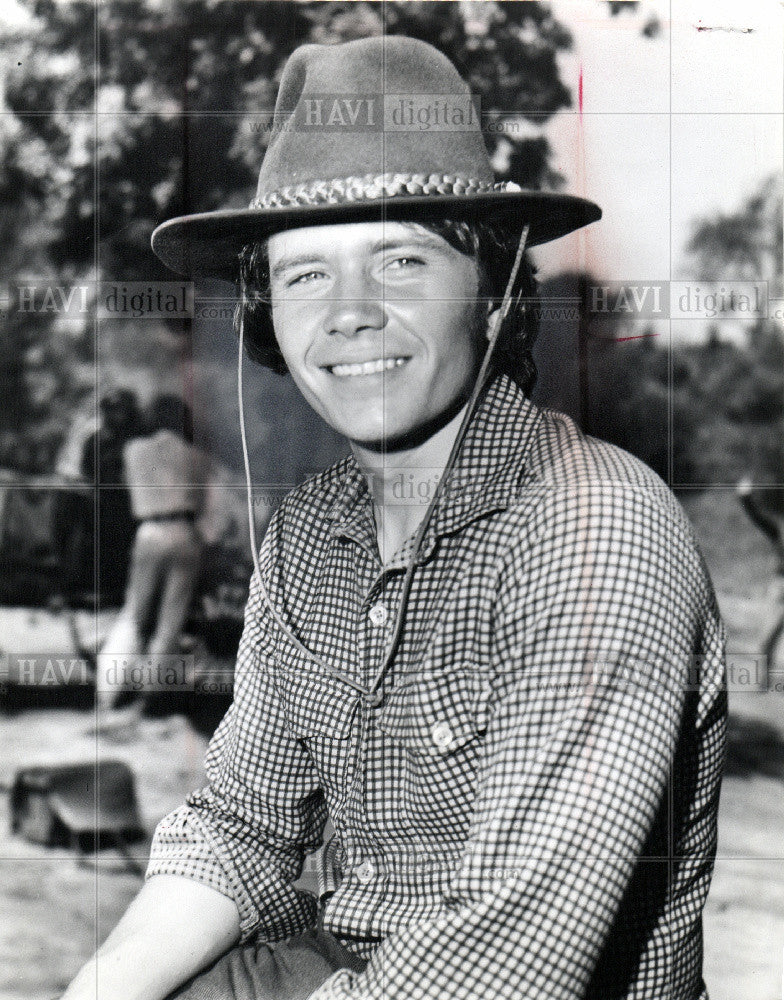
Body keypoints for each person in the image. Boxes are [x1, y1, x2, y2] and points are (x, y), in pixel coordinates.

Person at [64, 36, 726, 1000]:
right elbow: (239, 831)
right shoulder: (305, 537)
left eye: (402, 259)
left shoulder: (596, 526)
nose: (350, 314)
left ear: (495, 297)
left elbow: (505, 965)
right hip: (349, 970)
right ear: (268, 323)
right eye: (304, 276)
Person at [95, 394, 210, 718]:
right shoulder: (196, 457)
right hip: (185, 533)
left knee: (134, 614)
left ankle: (109, 692)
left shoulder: (134, 451)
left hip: (149, 531)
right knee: (170, 621)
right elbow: (200, 506)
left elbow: (130, 492)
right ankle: (151, 697)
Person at [737, 475, 784, 687]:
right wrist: (745, 497)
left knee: (769, 635)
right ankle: (761, 679)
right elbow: (758, 517)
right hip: (781, 587)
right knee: (768, 634)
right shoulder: (779, 531)